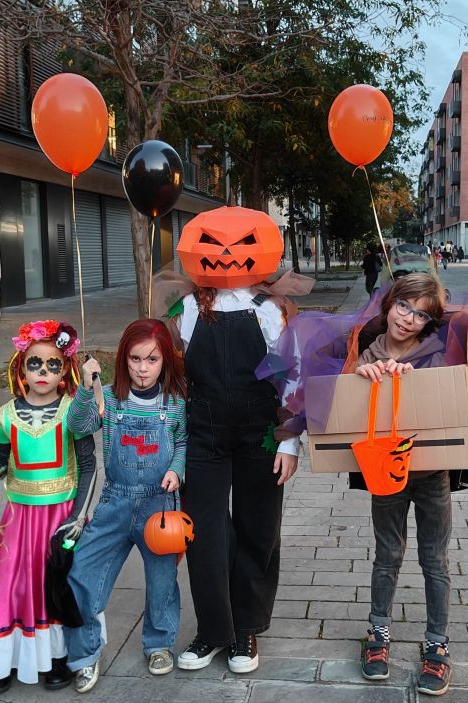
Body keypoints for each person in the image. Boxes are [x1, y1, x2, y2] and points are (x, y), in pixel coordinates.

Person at [349, 274, 468, 697]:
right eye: (404, 307)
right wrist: (360, 374)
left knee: (434, 561)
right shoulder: (364, 347)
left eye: (422, 314)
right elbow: (335, 388)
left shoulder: (444, 351)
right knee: (387, 554)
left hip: (433, 474)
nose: (409, 319)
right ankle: (378, 634)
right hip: (386, 472)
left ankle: (437, 645)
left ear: (430, 321)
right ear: (389, 304)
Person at [170, 206, 301, 675]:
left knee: (259, 525)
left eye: (242, 244)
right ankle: (212, 629)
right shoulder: (186, 309)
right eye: (214, 243)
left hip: (260, 431)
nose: (227, 254)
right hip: (203, 432)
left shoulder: (269, 313)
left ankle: (244, 627)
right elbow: (173, 375)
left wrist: (289, 441)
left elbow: (291, 377)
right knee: (202, 529)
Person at [0, 320, 96, 695]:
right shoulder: (5, 415)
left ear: (66, 370)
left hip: (60, 517)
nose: (43, 372)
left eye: (53, 364)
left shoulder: (74, 412)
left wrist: (78, 516)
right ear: (20, 368)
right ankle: (2, 658)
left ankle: (57, 657)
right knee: (12, 584)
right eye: (35, 363)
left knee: (56, 581)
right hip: (19, 520)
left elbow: (90, 465)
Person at [64, 319, 188, 692]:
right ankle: (84, 655)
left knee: (162, 581)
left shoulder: (175, 403)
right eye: (134, 359)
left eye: (151, 359)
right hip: (115, 501)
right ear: (123, 359)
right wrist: (86, 388)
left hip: (159, 505)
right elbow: (78, 425)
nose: (142, 368)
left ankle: (159, 643)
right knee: (83, 573)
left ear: (165, 360)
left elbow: (181, 443)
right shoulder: (109, 397)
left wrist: (177, 470)